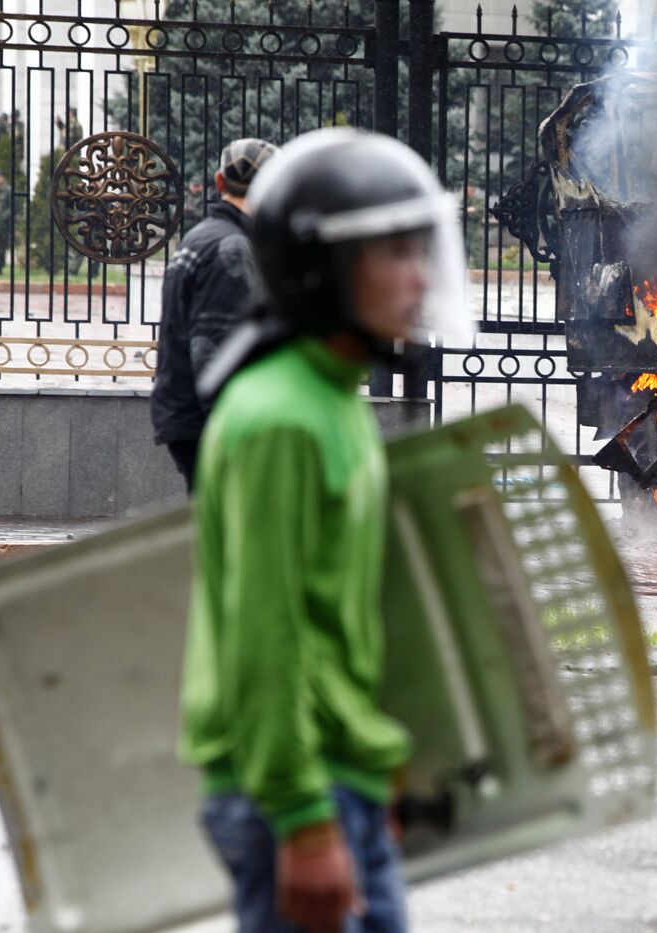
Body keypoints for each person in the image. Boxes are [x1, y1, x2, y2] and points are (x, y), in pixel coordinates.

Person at [179, 128, 468, 933]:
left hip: (340, 777)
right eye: (395, 253)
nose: (420, 277)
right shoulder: (280, 415)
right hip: (293, 791)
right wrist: (303, 815)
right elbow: (265, 632)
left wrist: (375, 770)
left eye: (422, 250)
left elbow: (339, 621)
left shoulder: (332, 395)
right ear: (322, 266)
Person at [150, 137, 277, 491]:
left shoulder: (201, 236)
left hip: (187, 413)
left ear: (220, 181)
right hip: (210, 423)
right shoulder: (231, 247)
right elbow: (214, 352)